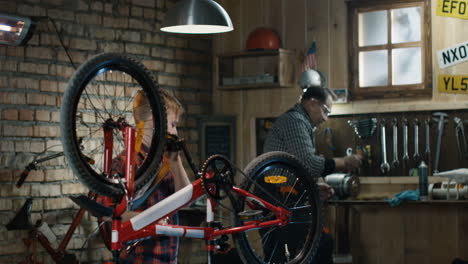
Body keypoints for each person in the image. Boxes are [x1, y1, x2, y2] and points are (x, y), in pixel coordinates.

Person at [263, 69, 362, 264]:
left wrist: (313, 188)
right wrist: (344, 162)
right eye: (326, 110)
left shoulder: (302, 124)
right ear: (312, 103)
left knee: (312, 248)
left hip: (285, 197)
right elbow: (309, 164)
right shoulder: (295, 121)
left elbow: (297, 168)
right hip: (276, 198)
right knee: (319, 246)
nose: (326, 118)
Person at [108, 89, 190, 264]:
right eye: (173, 125)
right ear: (155, 121)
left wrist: (176, 162)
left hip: (169, 259)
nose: (176, 132)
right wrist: (152, 219)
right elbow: (108, 213)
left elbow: (186, 201)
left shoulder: (166, 161)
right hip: (138, 259)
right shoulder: (124, 162)